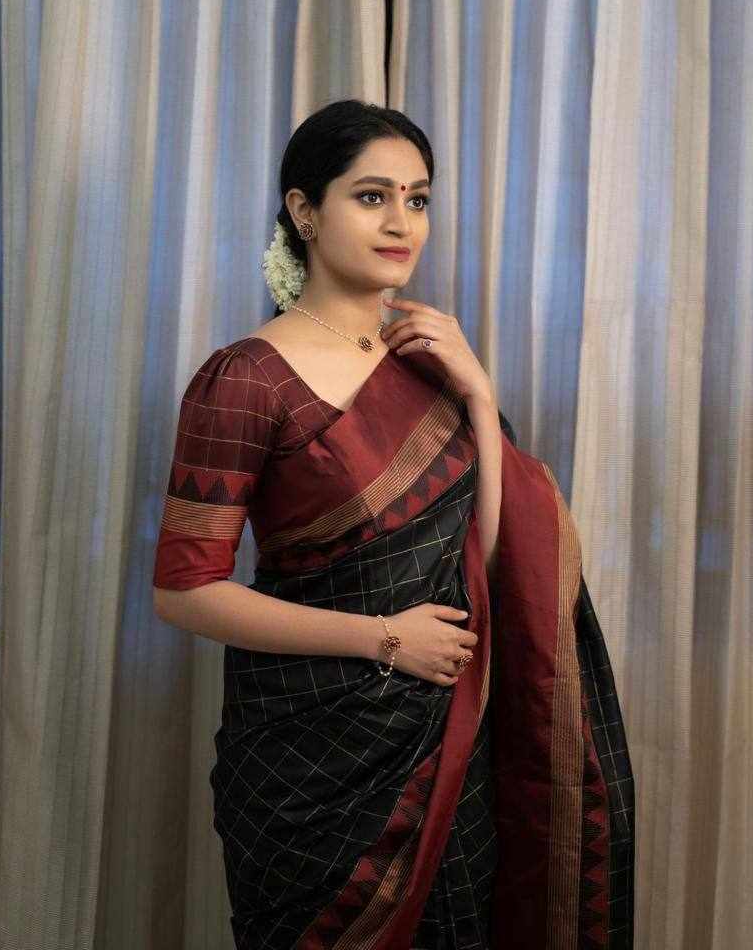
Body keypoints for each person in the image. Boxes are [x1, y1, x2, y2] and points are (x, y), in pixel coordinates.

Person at [152, 99, 635, 949]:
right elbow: (184, 592)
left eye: (417, 199)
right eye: (371, 196)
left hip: (447, 733)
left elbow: (495, 559)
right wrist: (384, 639)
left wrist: (478, 395)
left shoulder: (430, 368)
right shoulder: (247, 380)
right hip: (313, 760)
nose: (401, 222)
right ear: (304, 210)